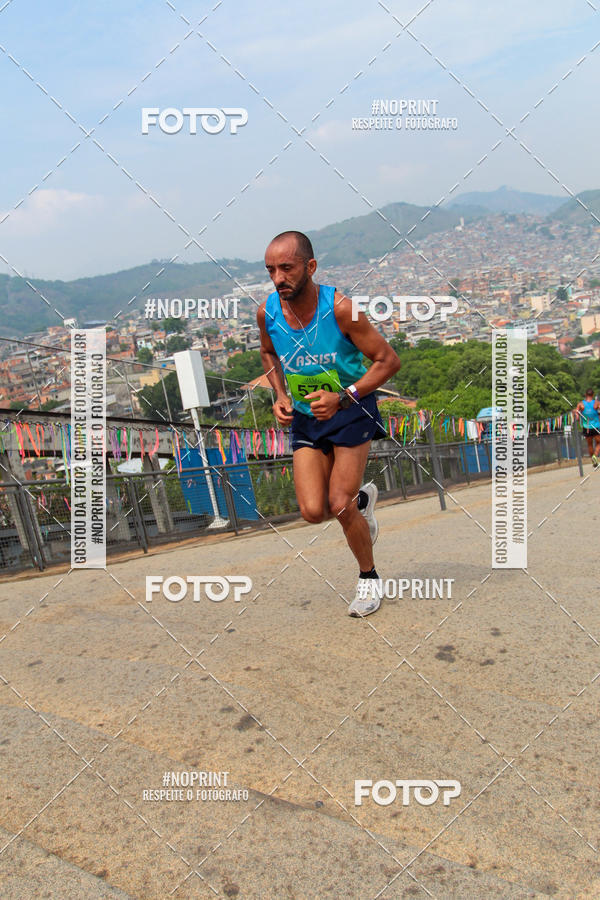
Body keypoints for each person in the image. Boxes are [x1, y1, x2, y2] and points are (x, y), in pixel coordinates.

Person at [257, 230, 401, 617]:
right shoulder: (268, 312)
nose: (278, 278)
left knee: (339, 504)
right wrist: (280, 395)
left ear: (310, 266)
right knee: (312, 511)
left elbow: (388, 361)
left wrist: (343, 397)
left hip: (352, 409)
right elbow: (268, 353)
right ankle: (364, 501)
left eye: (286, 268)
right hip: (307, 417)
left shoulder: (340, 309)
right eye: (271, 270)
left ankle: (368, 579)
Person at [576, 388, 600, 466]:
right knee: (599, 442)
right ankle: (595, 456)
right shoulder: (596, 403)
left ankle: (593, 461)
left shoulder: (580, 404)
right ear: (592, 395)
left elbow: (577, 416)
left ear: (586, 395)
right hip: (595, 426)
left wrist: (578, 418)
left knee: (589, 444)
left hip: (586, 427)